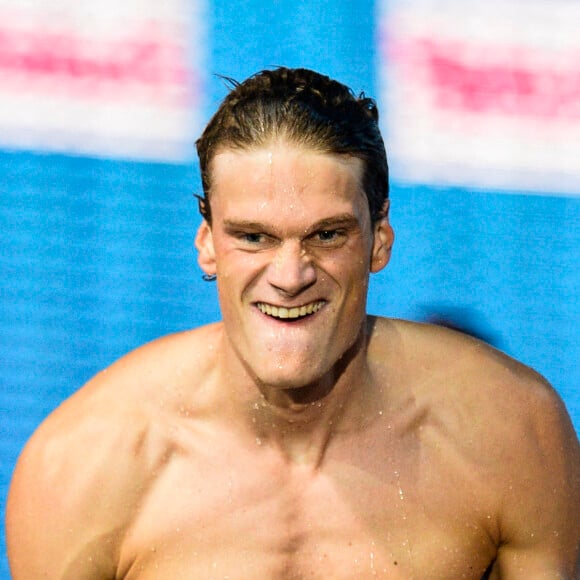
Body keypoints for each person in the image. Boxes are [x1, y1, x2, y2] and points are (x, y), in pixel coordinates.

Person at [6, 67, 580, 579]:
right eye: (253, 237)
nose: (290, 275)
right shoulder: (83, 468)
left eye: (326, 235)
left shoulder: (509, 435)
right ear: (208, 244)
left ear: (378, 239)